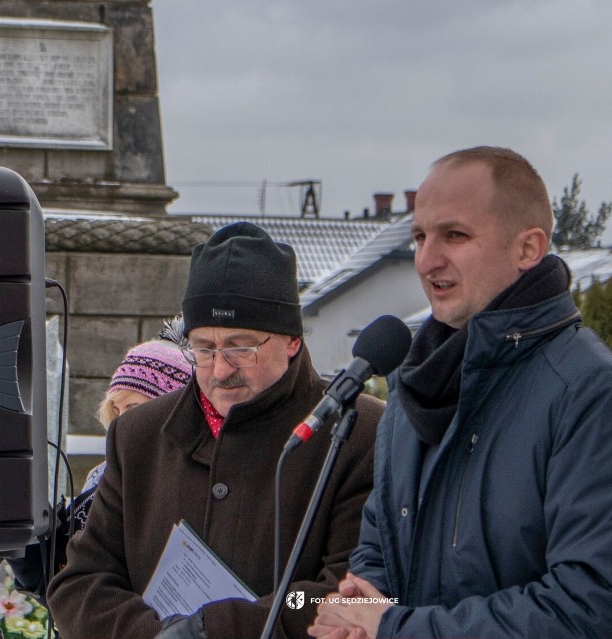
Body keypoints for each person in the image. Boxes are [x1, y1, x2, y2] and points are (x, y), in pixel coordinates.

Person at [309, 146, 612, 639]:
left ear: (528, 248)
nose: (426, 259)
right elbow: (382, 548)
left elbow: (590, 608)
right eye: (419, 236)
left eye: (454, 235)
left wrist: (396, 627)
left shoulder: (596, 397)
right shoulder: (416, 386)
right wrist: (360, 604)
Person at [46, 222, 385, 639]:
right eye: (204, 348)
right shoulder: (139, 435)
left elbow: (347, 596)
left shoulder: (358, 431)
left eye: (241, 347)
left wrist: (215, 630)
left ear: (291, 340)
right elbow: (79, 583)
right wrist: (157, 634)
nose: (221, 370)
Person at [0, 325, 194, 604]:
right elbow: (59, 581)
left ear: (170, 411)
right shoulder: (103, 477)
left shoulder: (188, 482)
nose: (119, 423)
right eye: (115, 409)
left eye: (133, 408)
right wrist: (22, 535)